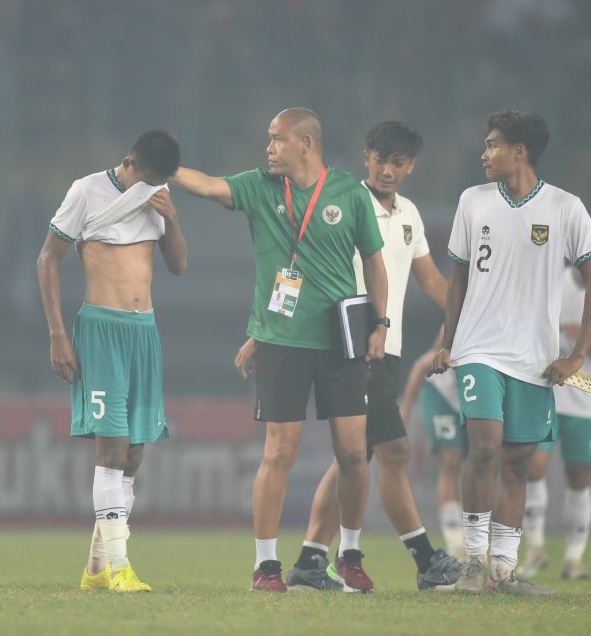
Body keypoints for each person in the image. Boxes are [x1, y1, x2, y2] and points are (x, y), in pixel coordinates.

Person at [236, 121, 461, 591]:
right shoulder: (340, 201)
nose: (387, 170)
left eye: (397, 162)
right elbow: (293, 268)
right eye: (380, 159)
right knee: (391, 450)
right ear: (366, 158)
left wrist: (475, 317)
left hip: (388, 347)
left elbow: (434, 284)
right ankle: (425, 560)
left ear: (410, 167)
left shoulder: (410, 216)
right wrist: (267, 332)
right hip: (351, 345)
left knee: (354, 456)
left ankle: (312, 560)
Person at [171, 108, 389, 593]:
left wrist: (381, 323)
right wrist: (165, 167)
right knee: (278, 454)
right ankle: (266, 566)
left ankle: (349, 555)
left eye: (276, 140)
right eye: (268, 140)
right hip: (282, 341)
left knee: (354, 453)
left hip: (341, 340)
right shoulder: (259, 186)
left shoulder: (350, 193)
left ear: (306, 143)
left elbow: (375, 263)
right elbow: (207, 186)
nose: (268, 148)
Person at [430, 110, 591, 596]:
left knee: (518, 462)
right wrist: (448, 342)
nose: (483, 154)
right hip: (478, 348)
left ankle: (504, 571)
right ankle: (473, 565)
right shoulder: (473, 201)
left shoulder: (567, 208)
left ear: (519, 151)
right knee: (484, 445)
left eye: (492, 145)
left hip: (534, 357)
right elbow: (459, 279)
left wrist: (576, 356)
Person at [36, 130, 186, 592]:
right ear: (128, 161)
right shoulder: (86, 191)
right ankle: (120, 566)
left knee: (135, 452)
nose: (152, 187)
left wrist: (173, 219)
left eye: (161, 182)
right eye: (148, 178)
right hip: (101, 330)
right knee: (111, 449)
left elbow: (178, 266)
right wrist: (58, 334)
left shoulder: (158, 194)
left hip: (144, 332)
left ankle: (97, 568)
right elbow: (47, 259)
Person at [517, 217, 591, 581]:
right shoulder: (552, 282)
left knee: (578, 475)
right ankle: (535, 547)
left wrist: (587, 341)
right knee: (532, 466)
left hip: (584, 394)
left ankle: (573, 557)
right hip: (543, 388)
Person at [400, 331, 468, 561]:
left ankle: (476, 540)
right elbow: (422, 364)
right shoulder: (461, 312)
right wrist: (405, 416)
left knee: (482, 463)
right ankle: (455, 542)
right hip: (441, 391)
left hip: (474, 393)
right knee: (450, 460)